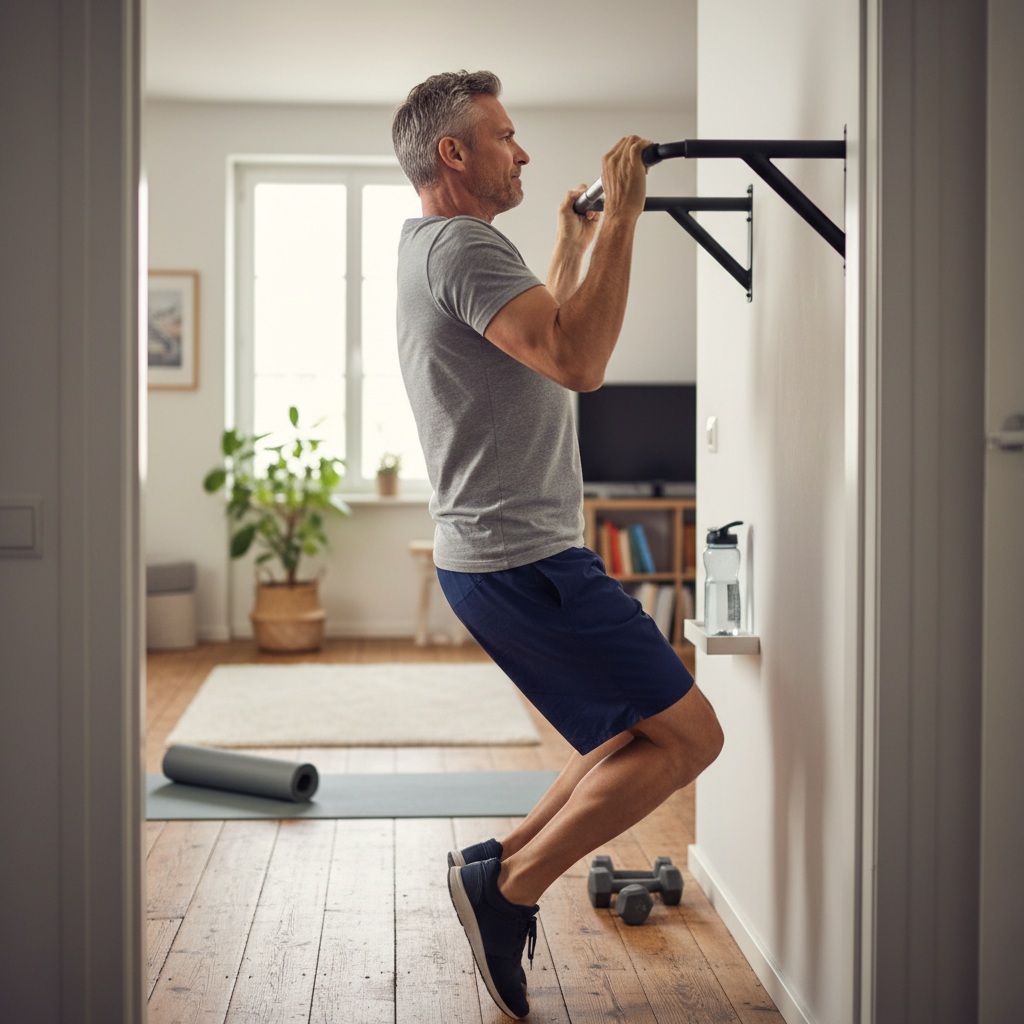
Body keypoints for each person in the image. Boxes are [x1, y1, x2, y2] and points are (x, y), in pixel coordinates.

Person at [391, 70, 724, 1020]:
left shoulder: (445, 247)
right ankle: (510, 890)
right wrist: (622, 216)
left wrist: (572, 244)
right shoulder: (462, 245)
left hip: (507, 555)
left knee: (630, 731)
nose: (523, 150)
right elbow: (581, 361)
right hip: (521, 559)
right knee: (692, 737)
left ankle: (496, 866)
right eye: (504, 135)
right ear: (453, 153)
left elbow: (544, 338)